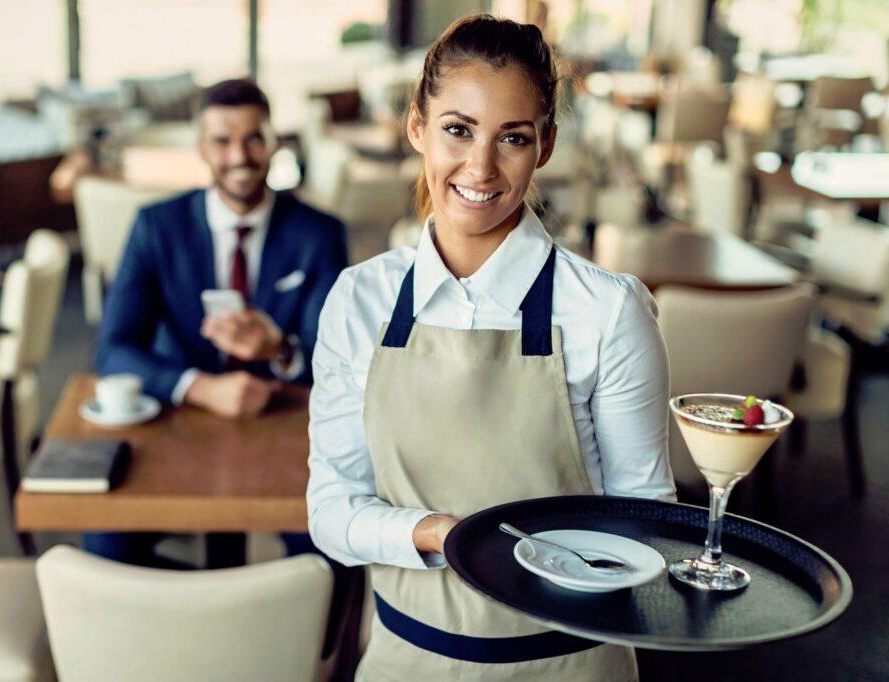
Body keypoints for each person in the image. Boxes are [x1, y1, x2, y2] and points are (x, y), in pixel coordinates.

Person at [307, 15, 674, 681]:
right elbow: (331, 512)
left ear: (547, 145)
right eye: (458, 129)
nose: (480, 167)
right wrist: (438, 534)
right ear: (417, 127)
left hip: (571, 664)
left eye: (512, 137)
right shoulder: (359, 302)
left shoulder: (608, 311)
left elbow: (645, 522)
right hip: (406, 662)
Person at [90, 78, 348, 568]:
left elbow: (336, 363)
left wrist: (281, 350)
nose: (239, 156)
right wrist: (199, 387)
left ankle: (312, 645)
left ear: (274, 143)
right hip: (176, 425)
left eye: (254, 137)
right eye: (222, 141)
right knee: (105, 544)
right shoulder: (156, 227)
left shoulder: (319, 234)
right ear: (201, 149)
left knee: (328, 547)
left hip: (285, 431)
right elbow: (112, 349)